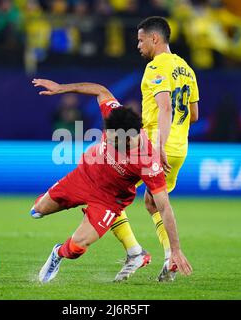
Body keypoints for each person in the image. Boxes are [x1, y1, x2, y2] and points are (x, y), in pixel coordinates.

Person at [30, 78, 193, 283]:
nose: (109, 140)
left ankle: (57, 255)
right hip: (84, 176)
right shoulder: (116, 117)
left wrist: (175, 250)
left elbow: (164, 207)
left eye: (115, 139)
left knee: (77, 247)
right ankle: (134, 251)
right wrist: (62, 88)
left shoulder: (148, 161)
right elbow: (101, 89)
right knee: (37, 210)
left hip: (108, 200)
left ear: (129, 138)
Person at [111, 16, 200, 282]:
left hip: (153, 145)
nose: (138, 45)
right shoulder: (187, 69)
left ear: (154, 38)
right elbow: (194, 114)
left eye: (140, 40)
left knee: (106, 195)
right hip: (180, 148)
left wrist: (158, 146)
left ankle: (133, 251)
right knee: (152, 203)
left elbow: (165, 107)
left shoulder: (156, 67)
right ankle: (170, 257)